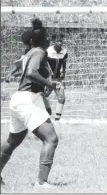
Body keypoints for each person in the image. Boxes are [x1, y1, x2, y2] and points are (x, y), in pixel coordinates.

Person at [0, 18, 60, 188]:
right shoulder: (39, 52)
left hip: (19, 98)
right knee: (51, 139)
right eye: (47, 36)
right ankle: (41, 183)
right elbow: (32, 73)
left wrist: (47, 86)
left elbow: (30, 73)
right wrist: (50, 84)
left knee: (13, 141)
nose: (49, 39)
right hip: (28, 100)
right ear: (43, 39)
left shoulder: (30, 52)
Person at [4, 26, 53, 116]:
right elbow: (27, 70)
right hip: (32, 88)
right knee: (45, 113)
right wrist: (49, 83)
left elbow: (23, 66)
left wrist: (12, 73)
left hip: (34, 86)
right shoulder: (36, 52)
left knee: (45, 112)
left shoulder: (35, 52)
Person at [46, 33, 69, 122]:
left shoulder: (64, 52)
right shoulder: (48, 51)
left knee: (62, 98)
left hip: (58, 79)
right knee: (43, 96)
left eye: (61, 41)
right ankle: (45, 112)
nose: (60, 43)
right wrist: (48, 76)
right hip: (48, 79)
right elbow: (44, 64)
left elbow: (64, 64)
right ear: (53, 42)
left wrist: (63, 74)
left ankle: (56, 121)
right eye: (57, 41)